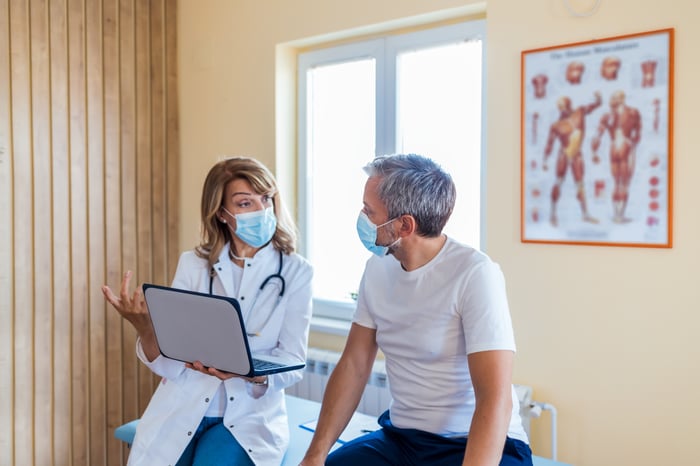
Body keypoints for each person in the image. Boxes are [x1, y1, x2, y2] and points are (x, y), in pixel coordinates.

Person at [300, 154, 532, 466]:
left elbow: (495, 400)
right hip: (404, 440)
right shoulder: (377, 269)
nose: (362, 218)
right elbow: (354, 365)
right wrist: (314, 457)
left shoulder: (475, 273)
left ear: (405, 225)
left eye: (369, 212)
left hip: (476, 443)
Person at [102, 156, 313, 465]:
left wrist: (248, 372)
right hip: (184, 403)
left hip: (249, 417)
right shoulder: (194, 264)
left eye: (266, 198)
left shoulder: (296, 271)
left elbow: (294, 362)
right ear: (221, 213)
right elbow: (170, 360)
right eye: (245, 203)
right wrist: (145, 328)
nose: (262, 210)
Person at [543, 92, 602, 226]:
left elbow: (593, 107)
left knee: (580, 184)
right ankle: (553, 214)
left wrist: (599, 100)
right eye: (560, 107)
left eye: (564, 106)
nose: (562, 109)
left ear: (569, 105)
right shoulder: (556, 125)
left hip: (576, 154)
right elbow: (549, 143)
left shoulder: (580, 112)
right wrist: (545, 160)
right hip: (563, 154)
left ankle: (585, 214)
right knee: (558, 182)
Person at [590, 90, 642, 223]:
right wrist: (632, 144)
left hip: (614, 147)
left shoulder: (607, 116)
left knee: (617, 183)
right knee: (624, 183)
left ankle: (616, 214)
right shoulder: (633, 113)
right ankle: (620, 215)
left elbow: (597, 135)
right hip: (626, 145)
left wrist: (594, 152)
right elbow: (637, 135)